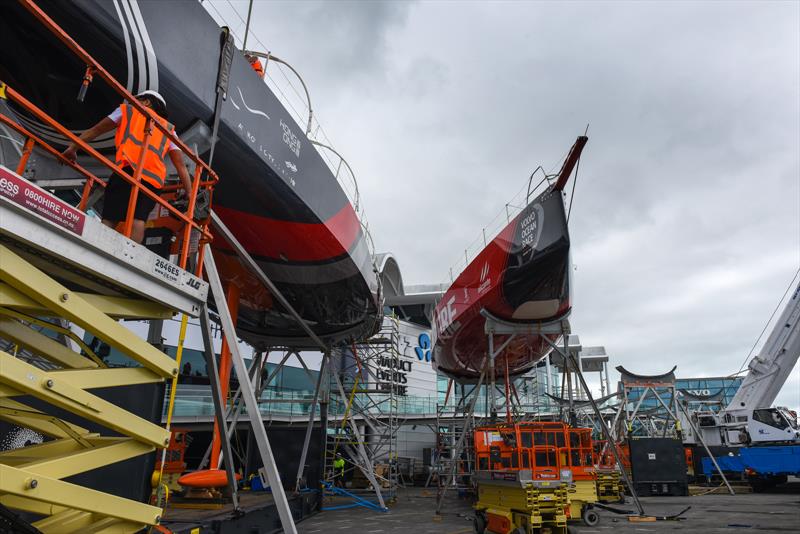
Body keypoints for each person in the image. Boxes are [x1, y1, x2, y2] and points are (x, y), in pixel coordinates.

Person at [61, 90, 192, 243]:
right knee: (139, 218)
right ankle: (132, 253)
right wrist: (190, 193)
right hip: (153, 180)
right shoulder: (169, 129)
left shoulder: (128, 111)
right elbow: (181, 165)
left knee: (111, 216)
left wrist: (72, 148)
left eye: (136, 100)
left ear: (147, 102)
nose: (131, 102)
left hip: (128, 170)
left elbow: (96, 130)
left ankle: (99, 245)